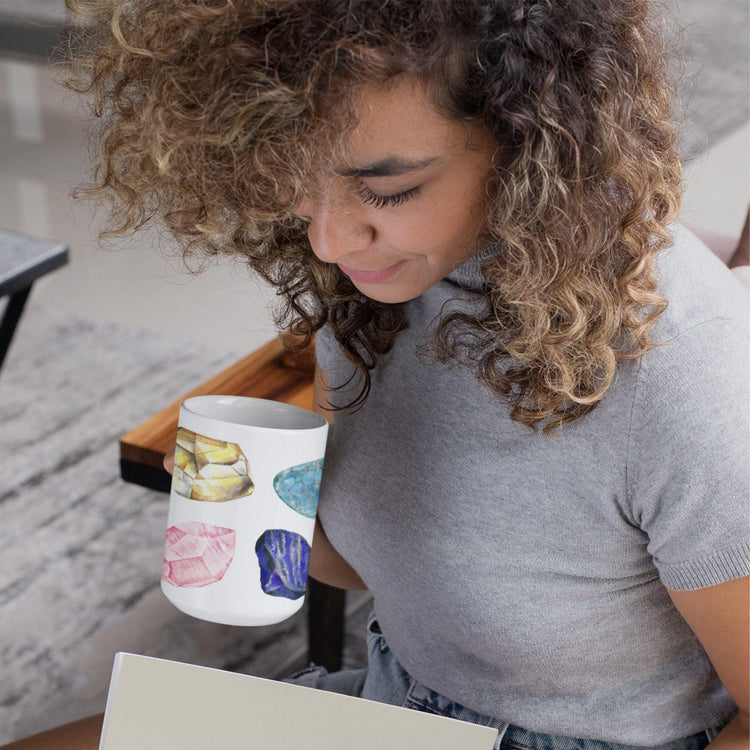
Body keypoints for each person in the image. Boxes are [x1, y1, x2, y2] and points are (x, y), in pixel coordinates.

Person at [6, 1, 748, 748]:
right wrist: (262, 509)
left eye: (387, 191)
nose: (329, 239)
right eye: (300, 174)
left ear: (536, 143)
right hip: (399, 712)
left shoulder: (680, 375)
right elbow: (363, 567)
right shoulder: (382, 294)